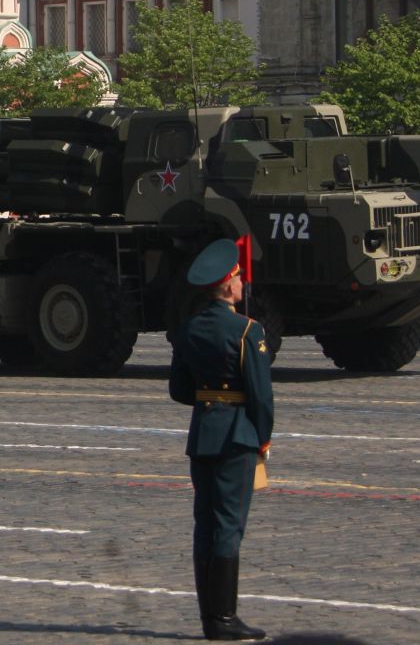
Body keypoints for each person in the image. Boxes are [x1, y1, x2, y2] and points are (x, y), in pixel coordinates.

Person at [169, 240, 273, 641]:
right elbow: (261, 396)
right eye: (239, 278)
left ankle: (209, 617)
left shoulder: (189, 329)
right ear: (228, 286)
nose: (243, 283)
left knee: (205, 525)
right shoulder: (248, 330)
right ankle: (224, 619)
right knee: (229, 526)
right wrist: (262, 439)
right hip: (236, 437)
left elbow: (179, 389)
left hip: (203, 437)